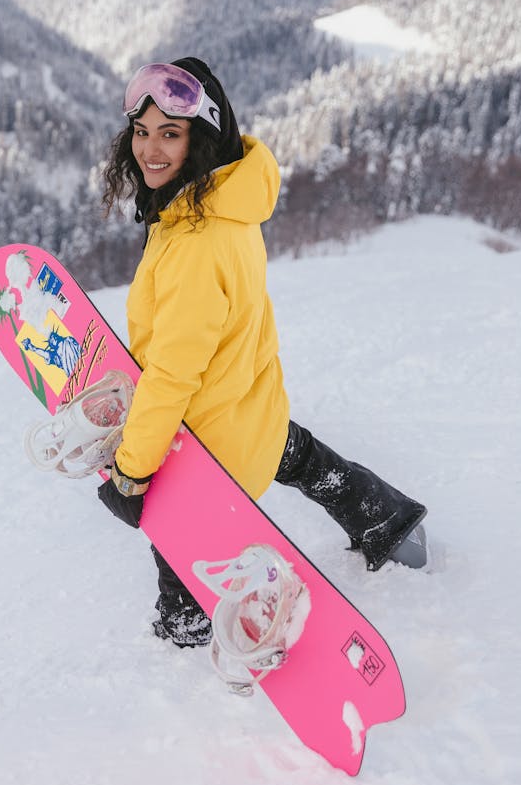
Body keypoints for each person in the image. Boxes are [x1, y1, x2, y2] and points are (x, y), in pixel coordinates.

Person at [97, 58, 427, 648]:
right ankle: (384, 517)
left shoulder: (194, 243)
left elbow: (172, 377)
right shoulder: (226, 204)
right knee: (301, 459)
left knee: (177, 542)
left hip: (206, 444)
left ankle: (188, 630)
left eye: (170, 134)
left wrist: (131, 471)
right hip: (253, 406)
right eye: (142, 132)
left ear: (201, 138)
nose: (150, 149)